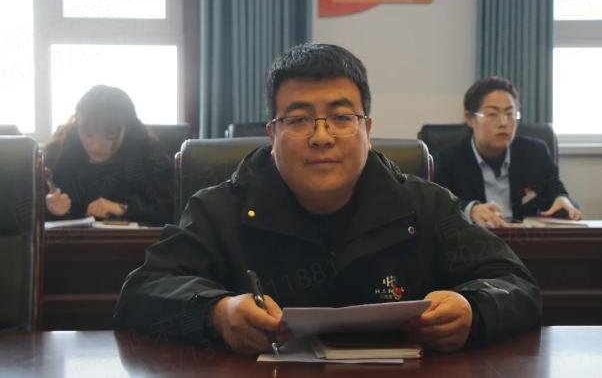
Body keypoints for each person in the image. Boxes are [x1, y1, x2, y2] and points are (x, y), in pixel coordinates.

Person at [113, 44, 541, 353]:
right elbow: (142, 293)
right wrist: (216, 313)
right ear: (273, 134)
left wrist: (473, 310)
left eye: (340, 117)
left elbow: (516, 284)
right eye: (299, 120)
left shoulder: (425, 206)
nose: (321, 137)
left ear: (367, 130)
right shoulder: (220, 209)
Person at [434, 76, 581, 228]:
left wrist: (563, 201)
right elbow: (437, 209)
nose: (503, 123)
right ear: (470, 118)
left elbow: (557, 193)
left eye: (510, 114)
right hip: (476, 241)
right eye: (492, 114)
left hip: (526, 240)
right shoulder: (447, 161)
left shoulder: (535, 153)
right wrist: (470, 210)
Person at [44, 84, 174, 226]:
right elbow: (34, 221)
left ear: (127, 129)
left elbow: (171, 213)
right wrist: (51, 209)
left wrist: (124, 209)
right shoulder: (58, 154)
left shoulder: (148, 154)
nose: (97, 145)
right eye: (88, 133)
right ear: (78, 127)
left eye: (109, 134)